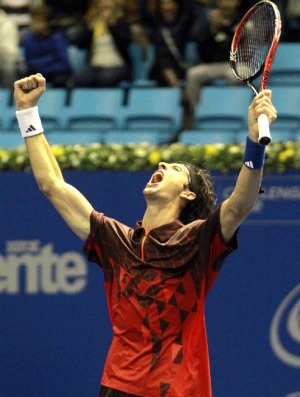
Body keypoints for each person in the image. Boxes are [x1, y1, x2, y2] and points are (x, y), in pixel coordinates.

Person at [13, 73, 277, 397]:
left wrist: (254, 142)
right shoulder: (115, 242)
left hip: (174, 390)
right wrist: (27, 113)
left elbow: (239, 205)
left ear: (188, 195)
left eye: (176, 169)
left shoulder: (197, 241)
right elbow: (52, 185)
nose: (164, 162)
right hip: (116, 387)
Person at [180, 0, 242, 131]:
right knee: (193, 74)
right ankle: (196, 114)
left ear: (237, 3)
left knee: (234, 76)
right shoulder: (208, 22)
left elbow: (243, 49)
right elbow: (203, 53)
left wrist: (224, 27)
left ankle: (232, 112)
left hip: (235, 64)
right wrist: (212, 31)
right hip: (212, 65)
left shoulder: (244, 20)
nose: (226, 4)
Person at [71, 0, 132, 88]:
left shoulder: (121, 23)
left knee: (105, 78)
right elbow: (80, 45)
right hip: (95, 66)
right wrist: (89, 30)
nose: (105, 3)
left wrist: (111, 25)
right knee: (80, 78)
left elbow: (124, 44)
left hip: (117, 65)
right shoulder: (93, 23)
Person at [140, 0, 196, 87]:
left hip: (177, 64)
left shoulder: (183, 23)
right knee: (163, 63)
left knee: (168, 66)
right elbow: (143, 10)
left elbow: (191, 9)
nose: (166, 7)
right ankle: (178, 91)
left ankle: (176, 91)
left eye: (170, 3)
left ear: (176, 6)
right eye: (163, 4)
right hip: (158, 67)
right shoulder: (156, 22)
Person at [21, 4, 72, 88]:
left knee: (61, 79)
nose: (35, 25)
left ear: (47, 23)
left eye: (38, 21)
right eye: (33, 21)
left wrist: (43, 67)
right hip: (38, 73)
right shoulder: (29, 39)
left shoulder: (57, 38)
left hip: (55, 73)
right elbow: (29, 62)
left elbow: (64, 64)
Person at [0, 7, 21, 88]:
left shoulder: (8, 25)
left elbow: (10, 52)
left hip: (7, 60)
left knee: (8, 69)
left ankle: (13, 97)